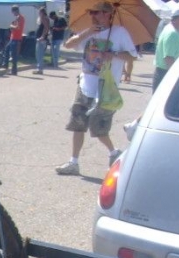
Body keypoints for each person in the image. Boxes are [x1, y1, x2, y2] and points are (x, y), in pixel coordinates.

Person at [55, 1, 138, 175]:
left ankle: (114, 152)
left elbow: (132, 56)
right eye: (91, 13)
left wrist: (113, 54)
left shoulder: (119, 32)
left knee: (99, 129)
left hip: (105, 89)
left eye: (97, 12)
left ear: (108, 14)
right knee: (77, 125)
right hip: (85, 86)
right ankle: (74, 162)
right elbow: (69, 45)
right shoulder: (89, 31)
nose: (93, 16)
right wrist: (87, 32)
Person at [152, 5, 179, 92]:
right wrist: (175, 77)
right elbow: (169, 58)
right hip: (166, 73)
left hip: (163, 72)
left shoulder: (171, 30)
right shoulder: (172, 34)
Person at [3, 5, 24, 75]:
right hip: (13, 37)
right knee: (7, 49)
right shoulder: (17, 18)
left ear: (15, 11)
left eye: (13, 12)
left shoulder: (20, 18)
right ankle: (6, 65)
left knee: (13, 54)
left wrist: (11, 26)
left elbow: (18, 28)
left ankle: (13, 70)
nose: (13, 14)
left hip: (16, 38)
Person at [33, 7, 49, 74]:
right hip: (41, 39)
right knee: (39, 54)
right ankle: (39, 68)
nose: (38, 13)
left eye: (39, 12)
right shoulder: (44, 18)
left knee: (39, 54)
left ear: (42, 12)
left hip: (41, 39)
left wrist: (42, 36)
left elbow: (46, 28)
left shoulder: (43, 18)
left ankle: (40, 69)